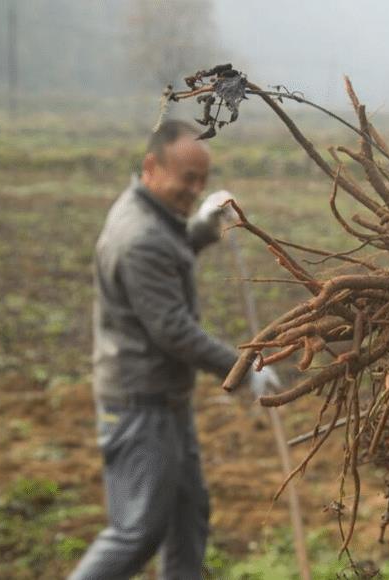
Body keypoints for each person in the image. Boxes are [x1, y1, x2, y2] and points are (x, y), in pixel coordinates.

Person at [71, 120, 277, 579]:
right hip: (140, 406)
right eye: (188, 178)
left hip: (163, 400)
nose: (196, 188)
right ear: (152, 167)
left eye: (202, 179)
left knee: (187, 519)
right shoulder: (139, 236)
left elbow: (170, 245)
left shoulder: (148, 215)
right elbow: (174, 331)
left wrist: (203, 226)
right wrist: (244, 368)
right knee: (136, 532)